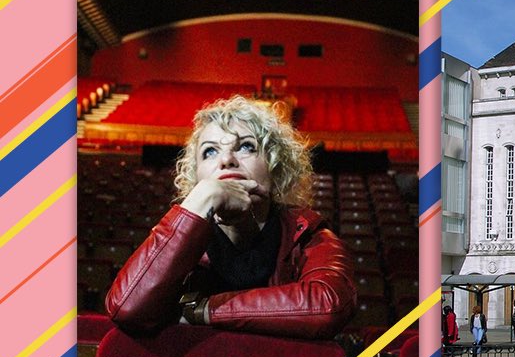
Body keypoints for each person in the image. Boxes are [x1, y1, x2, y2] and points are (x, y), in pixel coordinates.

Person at [105, 96, 356, 339]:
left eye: (246, 147)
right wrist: (201, 202)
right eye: (210, 151)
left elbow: (328, 304)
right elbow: (125, 309)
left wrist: (204, 310)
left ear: (276, 168)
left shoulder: (308, 234)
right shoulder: (178, 237)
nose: (226, 160)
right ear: (197, 178)